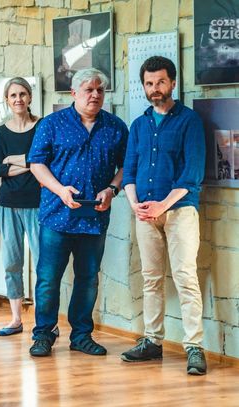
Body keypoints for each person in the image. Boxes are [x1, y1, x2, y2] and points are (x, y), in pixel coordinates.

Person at [27, 68, 128, 357]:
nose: (95, 95)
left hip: (95, 218)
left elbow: (126, 166)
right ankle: (43, 335)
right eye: (88, 89)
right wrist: (60, 190)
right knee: (48, 279)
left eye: (100, 90)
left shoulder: (115, 127)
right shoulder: (52, 124)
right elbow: (36, 164)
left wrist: (112, 189)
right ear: (73, 93)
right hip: (56, 216)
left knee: (88, 278)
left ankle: (81, 336)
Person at [121, 56, 207, 375]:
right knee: (151, 278)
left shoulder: (190, 121)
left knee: (185, 278)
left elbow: (192, 174)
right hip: (144, 212)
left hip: (180, 211)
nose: (155, 88)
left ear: (172, 83)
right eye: (149, 83)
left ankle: (194, 347)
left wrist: (162, 205)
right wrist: (134, 203)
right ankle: (152, 341)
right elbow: (129, 171)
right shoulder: (139, 125)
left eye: (160, 82)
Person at [0, 77, 41, 335]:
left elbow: (44, 160)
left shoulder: (41, 126)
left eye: (22, 94)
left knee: (44, 263)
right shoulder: (1, 132)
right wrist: (29, 164)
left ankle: (45, 322)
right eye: (13, 95)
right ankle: (16, 320)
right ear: (7, 100)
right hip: (8, 204)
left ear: (30, 97)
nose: (18, 99)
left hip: (37, 203)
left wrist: (14, 160)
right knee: (12, 263)